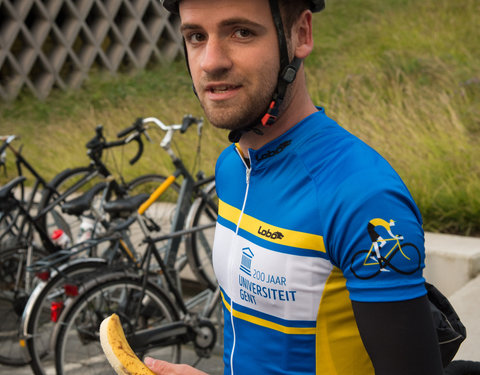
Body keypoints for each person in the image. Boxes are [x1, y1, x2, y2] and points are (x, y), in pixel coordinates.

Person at [146, 0, 445, 373]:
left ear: (301, 34)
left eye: (241, 32)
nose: (210, 61)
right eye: (195, 36)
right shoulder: (231, 167)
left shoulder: (362, 197)